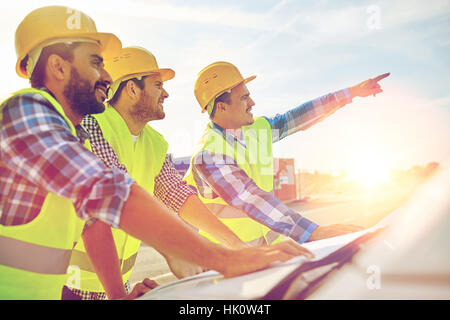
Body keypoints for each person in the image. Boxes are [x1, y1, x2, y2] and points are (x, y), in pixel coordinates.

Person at [0, 6, 313, 300]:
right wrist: (221, 257)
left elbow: (102, 217)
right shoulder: (24, 113)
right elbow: (107, 192)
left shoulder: (77, 133)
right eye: (96, 62)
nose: (106, 78)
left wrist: (118, 294)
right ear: (58, 66)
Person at [65, 46, 252, 300]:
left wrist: (236, 247)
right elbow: (116, 199)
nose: (165, 93)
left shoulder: (153, 142)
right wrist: (175, 249)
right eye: (157, 85)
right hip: (65, 288)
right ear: (132, 89)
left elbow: (178, 195)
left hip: (111, 289)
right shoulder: (92, 126)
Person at [184, 61, 389, 246]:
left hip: (274, 254)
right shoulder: (208, 154)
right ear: (221, 106)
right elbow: (249, 198)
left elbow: (298, 117)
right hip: (231, 266)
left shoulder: (257, 129)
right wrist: (312, 232)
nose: (252, 103)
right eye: (245, 97)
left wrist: (350, 93)